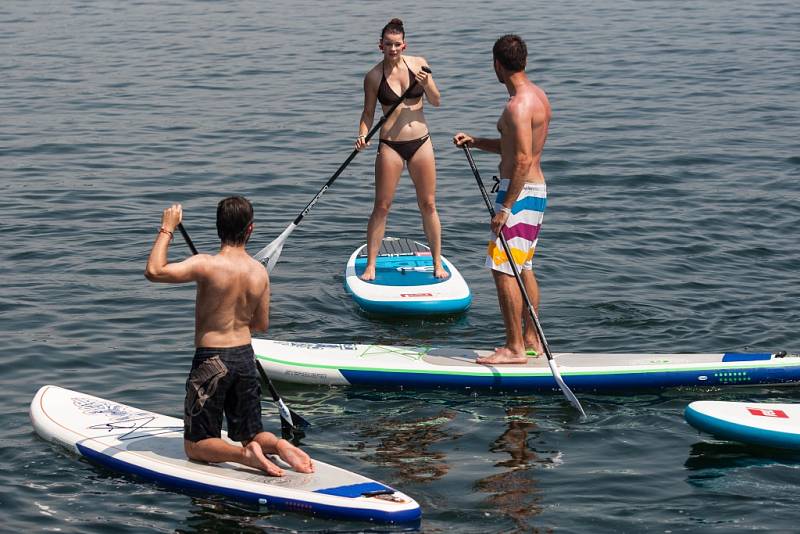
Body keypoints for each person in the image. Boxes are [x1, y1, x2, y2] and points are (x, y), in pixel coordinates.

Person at [144, 196, 314, 476]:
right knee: (251, 431)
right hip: (245, 358)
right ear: (250, 229)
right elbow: (260, 324)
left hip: (212, 360)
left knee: (196, 445)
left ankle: (244, 455)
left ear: (218, 228)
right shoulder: (259, 272)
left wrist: (167, 228)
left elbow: (154, 271)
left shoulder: (206, 265)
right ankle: (279, 446)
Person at [453, 35, 551, 364]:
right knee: (523, 265)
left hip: (519, 193)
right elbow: (515, 148)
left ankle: (514, 349)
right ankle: (530, 337)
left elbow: (521, 160)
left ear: (498, 64)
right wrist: (477, 141)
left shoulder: (517, 106)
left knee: (502, 267)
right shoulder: (537, 96)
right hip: (534, 190)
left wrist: (506, 207)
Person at [355, 17, 448, 281]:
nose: (393, 49)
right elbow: (368, 113)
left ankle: (437, 263)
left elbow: (437, 101)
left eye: (397, 44)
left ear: (404, 45)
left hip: (421, 143)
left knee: (428, 204)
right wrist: (362, 135)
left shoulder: (419, 64)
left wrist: (427, 82)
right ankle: (371, 265)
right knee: (382, 206)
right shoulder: (373, 77)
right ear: (380, 45)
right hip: (390, 145)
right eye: (388, 44)